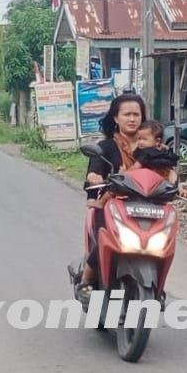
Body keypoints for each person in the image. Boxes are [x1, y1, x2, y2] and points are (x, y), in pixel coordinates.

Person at [77, 93, 146, 297]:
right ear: (116, 118)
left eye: (136, 114)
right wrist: (95, 176)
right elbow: (95, 170)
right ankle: (86, 281)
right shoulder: (106, 147)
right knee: (104, 238)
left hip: (145, 206)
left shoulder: (150, 147)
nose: (132, 119)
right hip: (110, 206)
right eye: (127, 114)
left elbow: (165, 171)